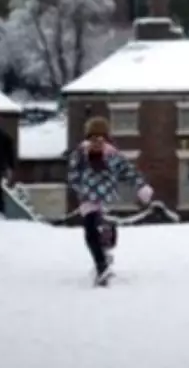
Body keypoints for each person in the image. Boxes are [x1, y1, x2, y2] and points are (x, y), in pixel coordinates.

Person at [66, 116, 154, 285]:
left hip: (104, 198)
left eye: (100, 137)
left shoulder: (111, 154)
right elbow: (73, 174)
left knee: (97, 229)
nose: (97, 141)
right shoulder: (82, 153)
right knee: (92, 230)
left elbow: (128, 172)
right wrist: (80, 187)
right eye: (93, 137)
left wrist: (141, 186)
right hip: (92, 198)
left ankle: (103, 257)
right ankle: (102, 263)